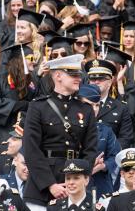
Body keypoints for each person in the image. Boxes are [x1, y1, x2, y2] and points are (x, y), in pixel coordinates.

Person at [23, 54, 98, 210]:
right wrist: (50, 185)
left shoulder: (86, 109)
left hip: (76, 186)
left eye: (79, 74)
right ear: (58, 75)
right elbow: (31, 149)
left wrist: (79, 180)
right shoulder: (38, 107)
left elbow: (90, 149)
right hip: (42, 186)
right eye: (73, 74)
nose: (78, 78)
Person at [78, 84, 121, 198]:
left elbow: (115, 156)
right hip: (75, 185)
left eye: (97, 105)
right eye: (89, 105)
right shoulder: (67, 129)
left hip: (100, 186)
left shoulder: (106, 130)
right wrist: (88, 167)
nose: (94, 109)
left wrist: (103, 166)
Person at [86, 59, 133, 149]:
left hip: (110, 159)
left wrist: (108, 158)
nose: (96, 82)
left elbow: (125, 139)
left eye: (101, 78)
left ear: (110, 81)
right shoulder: (80, 105)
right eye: (93, 78)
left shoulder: (120, 108)